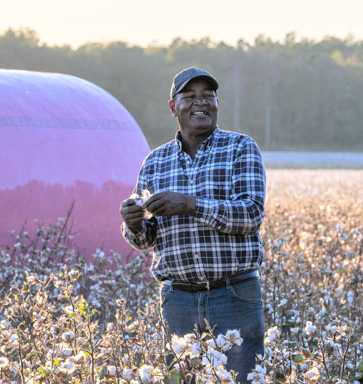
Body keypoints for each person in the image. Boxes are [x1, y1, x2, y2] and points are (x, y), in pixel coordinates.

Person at [120, 67, 266, 382]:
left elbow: (251, 214)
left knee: (242, 378)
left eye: (208, 96)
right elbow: (146, 239)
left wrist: (190, 204)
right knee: (182, 379)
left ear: (216, 103)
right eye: (190, 97)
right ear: (174, 107)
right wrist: (133, 224)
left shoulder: (241, 148)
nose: (201, 103)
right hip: (178, 300)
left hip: (234, 295)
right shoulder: (155, 162)